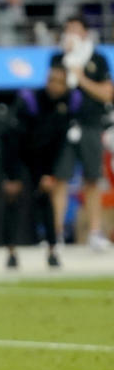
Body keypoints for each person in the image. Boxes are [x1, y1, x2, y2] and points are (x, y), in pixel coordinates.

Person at [1, 65, 75, 268]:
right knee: (13, 199)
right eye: (52, 80)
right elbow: (12, 137)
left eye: (60, 82)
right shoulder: (31, 101)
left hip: (42, 157)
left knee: (46, 199)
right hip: (18, 151)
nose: (55, 86)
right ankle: (11, 251)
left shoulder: (67, 105)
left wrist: (49, 173)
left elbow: (58, 142)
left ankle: (52, 250)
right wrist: (12, 174)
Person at [50, 15, 114, 250]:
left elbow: (107, 94)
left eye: (75, 28)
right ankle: (55, 233)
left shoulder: (97, 59)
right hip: (64, 125)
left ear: (85, 32)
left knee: (92, 179)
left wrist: (80, 76)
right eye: (67, 28)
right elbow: (51, 92)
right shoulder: (58, 58)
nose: (71, 33)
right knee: (60, 179)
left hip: (90, 125)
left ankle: (95, 231)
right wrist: (66, 71)